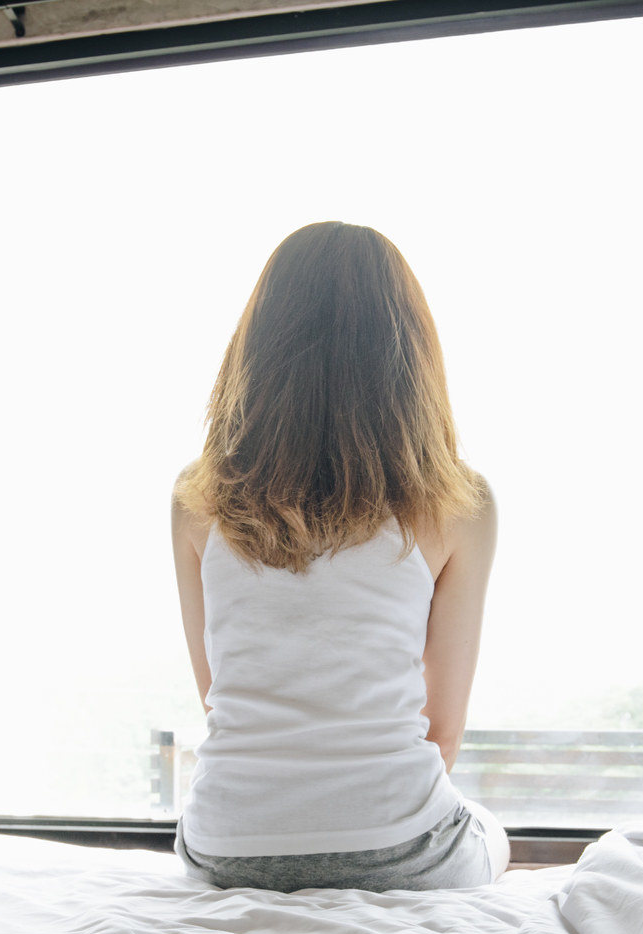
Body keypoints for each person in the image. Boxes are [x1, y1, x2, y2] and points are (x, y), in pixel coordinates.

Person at [170, 221, 508, 891]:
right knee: (490, 832)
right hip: (395, 847)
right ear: (408, 352)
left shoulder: (197, 497)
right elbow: (440, 733)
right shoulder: (458, 503)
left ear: (258, 345)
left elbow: (218, 696)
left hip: (224, 846)